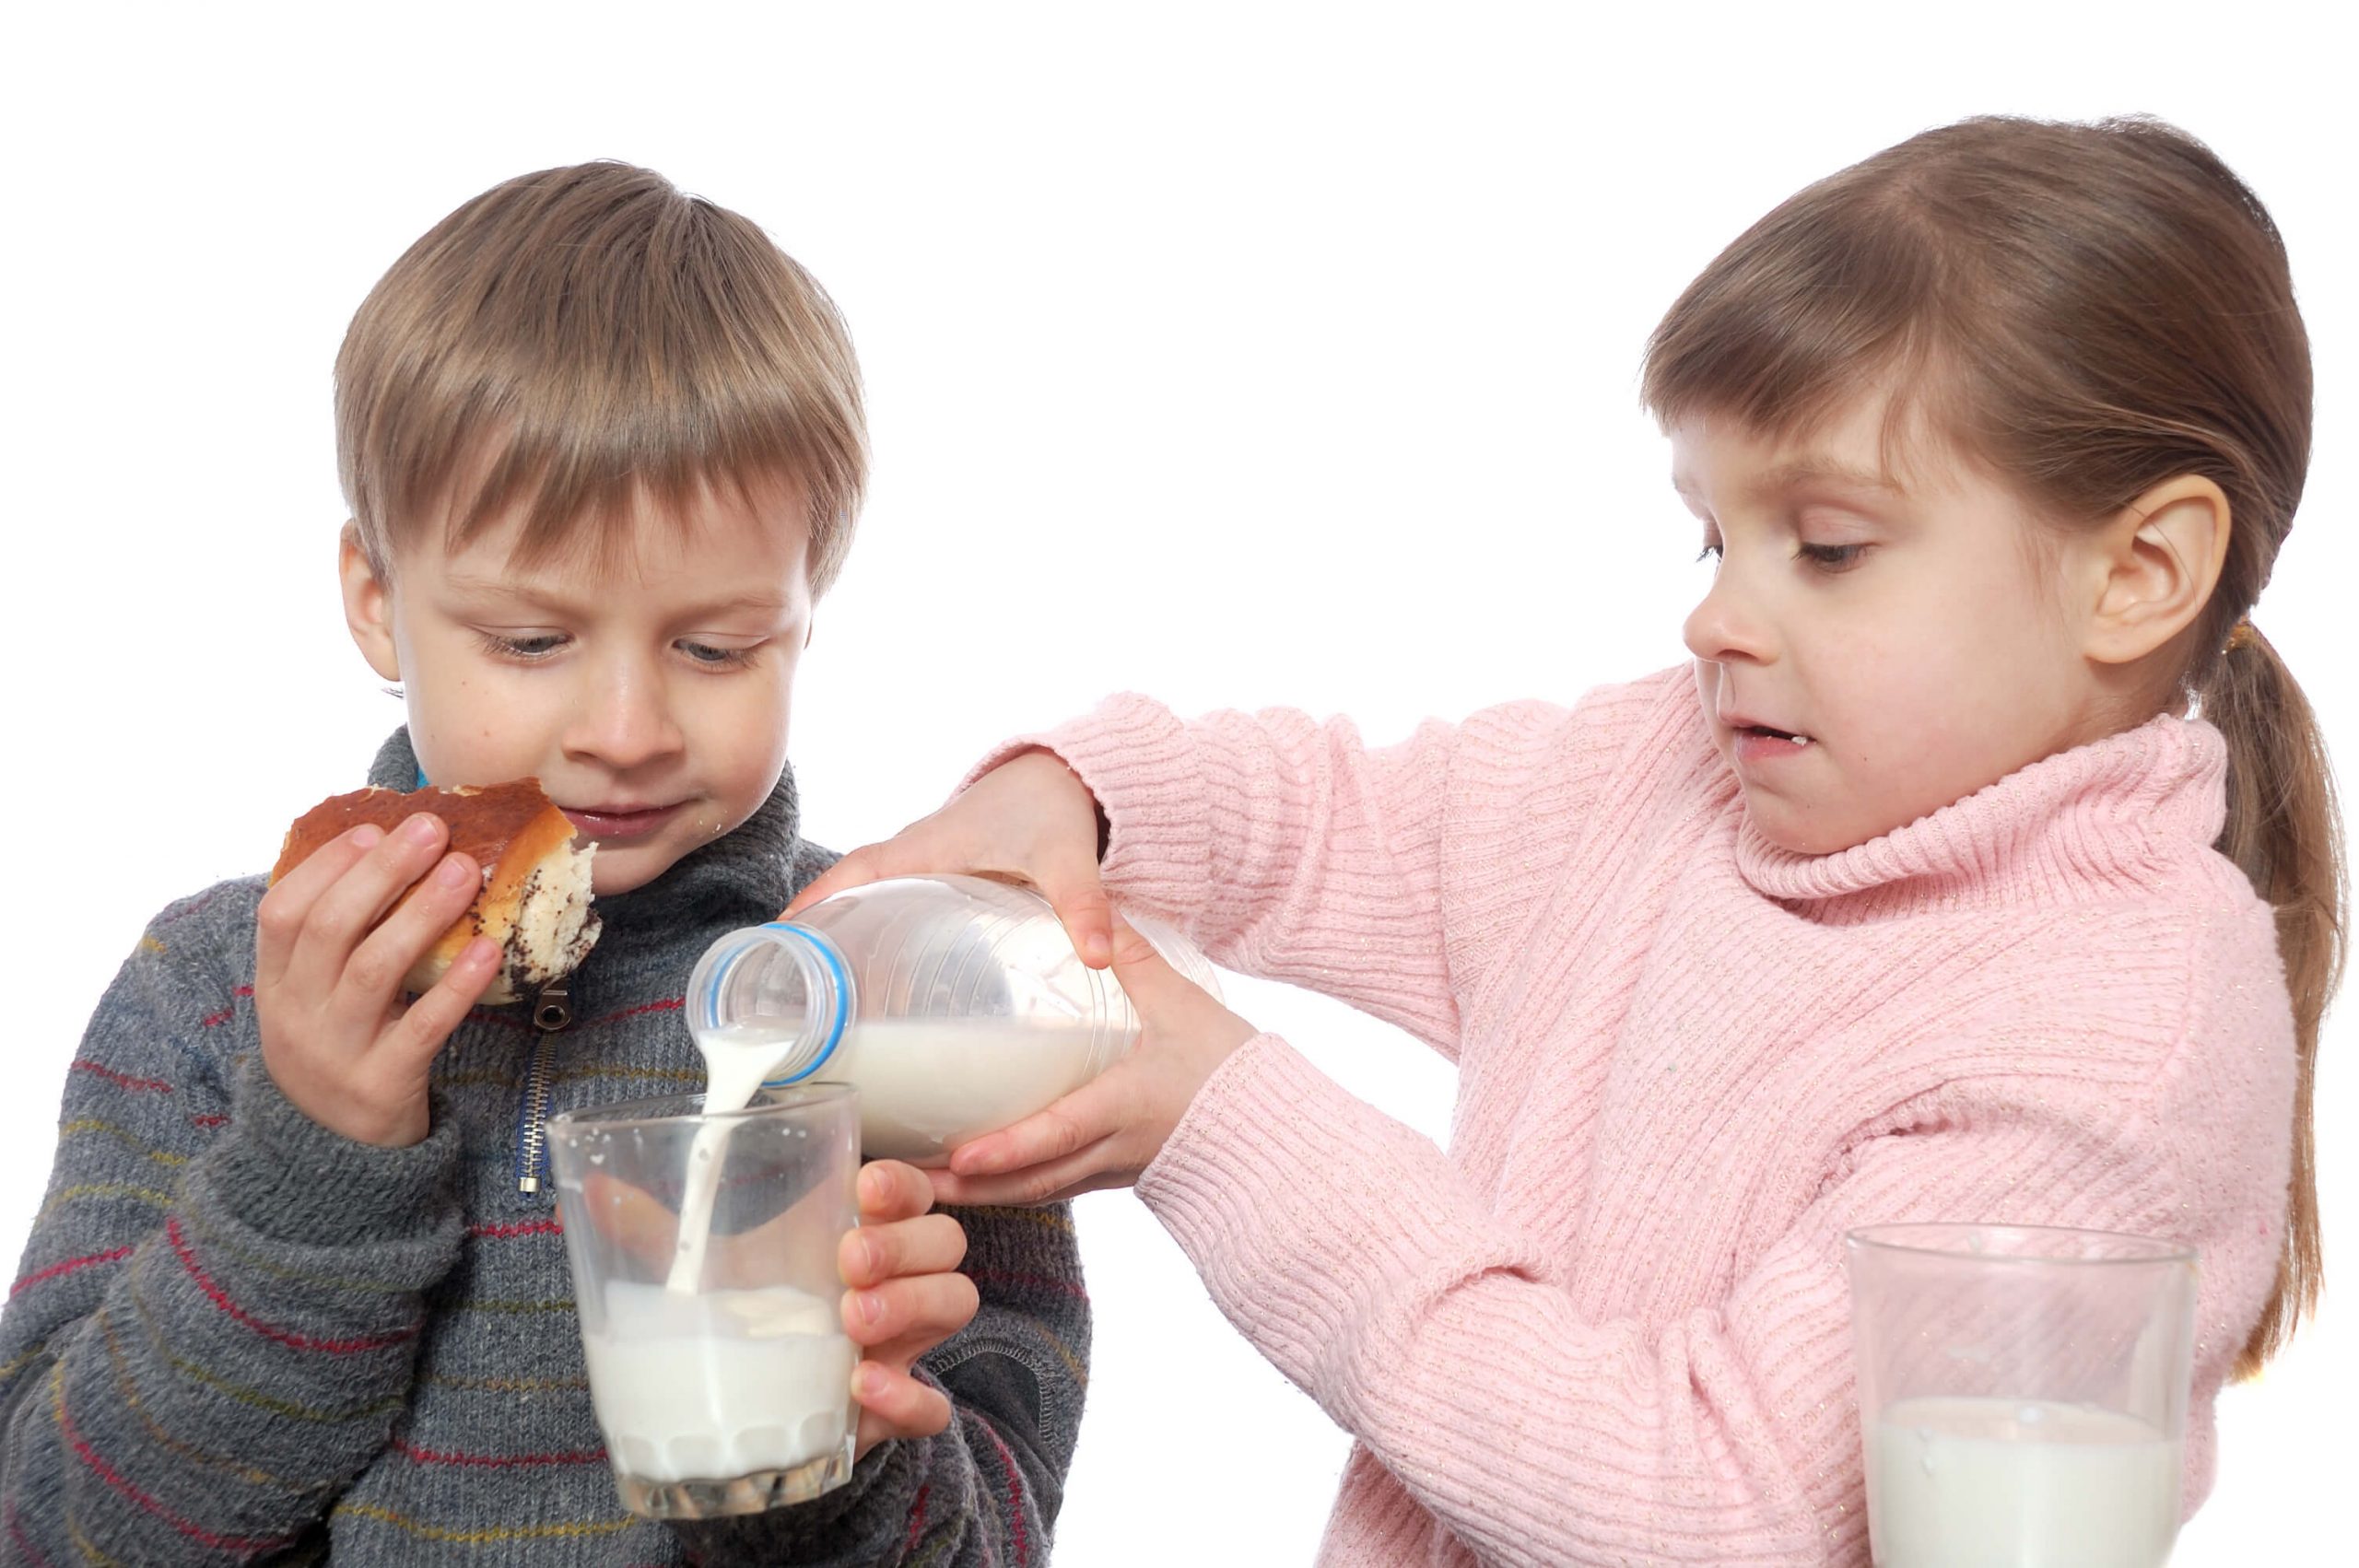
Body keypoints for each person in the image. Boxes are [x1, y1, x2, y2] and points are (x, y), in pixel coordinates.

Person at [792, 115, 2341, 1563]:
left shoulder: (2115, 1034)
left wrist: (1218, 1118)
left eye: (1830, 546)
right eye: (1714, 533)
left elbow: (1700, 1498)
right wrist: (1073, 797)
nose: (1720, 614)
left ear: (2138, 572)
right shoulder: (1668, 780)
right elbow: (1335, 818)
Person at [0, 162, 1084, 1565]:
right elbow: (50, 1525)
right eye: (530, 642)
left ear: (807, 617)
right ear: (378, 604)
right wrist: (312, 1165)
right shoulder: (218, 990)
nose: (623, 733)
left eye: (713, 648)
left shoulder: (911, 988)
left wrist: (828, 1468)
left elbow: (1006, 1528)